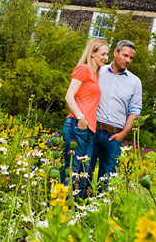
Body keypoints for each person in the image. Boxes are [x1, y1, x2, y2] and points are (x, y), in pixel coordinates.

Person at [90, 40, 142, 193]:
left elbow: (135, 110)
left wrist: (124, 134)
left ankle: (101, 212)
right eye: (125, 55)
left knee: (106, 182)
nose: (128, 60)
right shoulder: (98, 71)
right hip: (93, 131)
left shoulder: (134, 82)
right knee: (83, 173)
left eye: (131, 58)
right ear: (115, 53)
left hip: (115, 136)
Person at [61, 38, 109, 199]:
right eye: (102, 54)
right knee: (72, 170)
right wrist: (81, 118)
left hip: (88, 129)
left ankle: (73, 212)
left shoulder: (95, 75)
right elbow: (69, 95)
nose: (105, 57)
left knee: (83, 173)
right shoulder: (83, 69)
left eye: (107, 54)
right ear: (92, 53)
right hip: (77, 125)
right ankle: (60, 210)